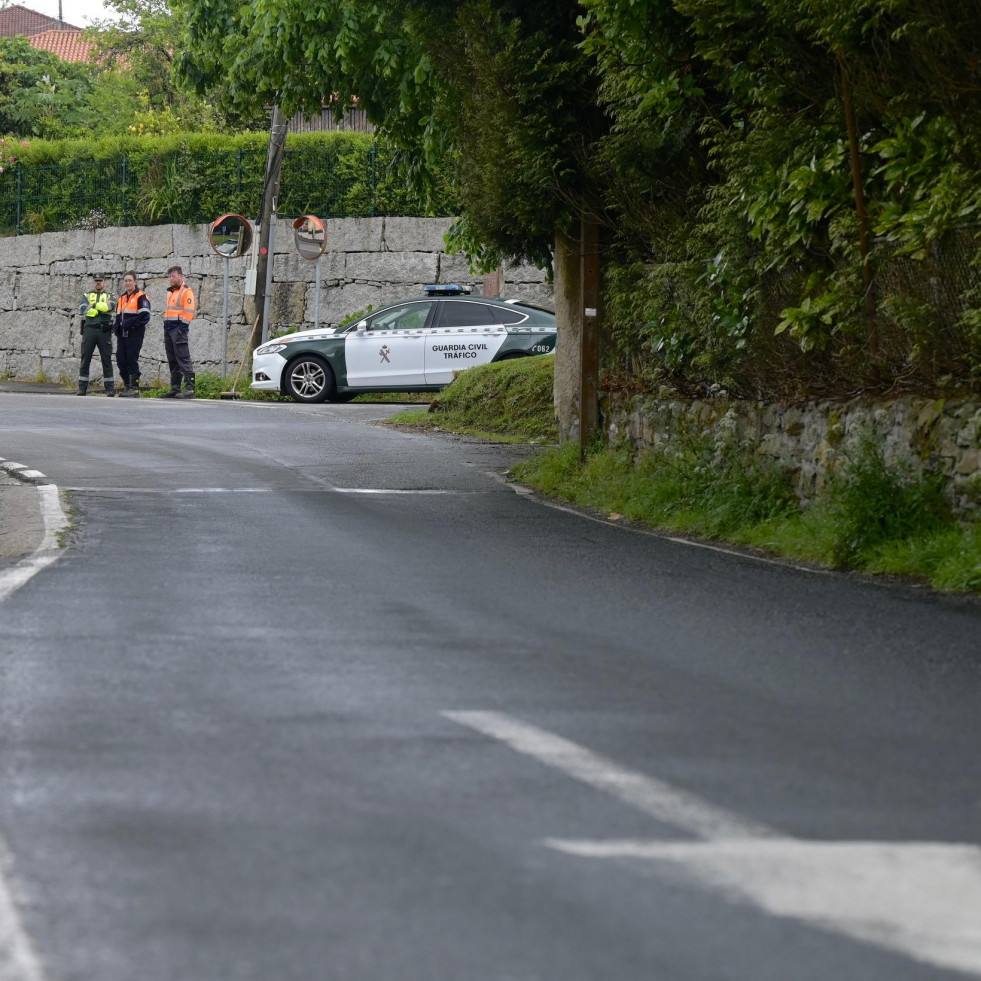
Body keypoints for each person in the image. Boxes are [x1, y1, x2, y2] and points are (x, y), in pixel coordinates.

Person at [76, 273, 116, 396]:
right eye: (96, 281)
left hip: (104, 331)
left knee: (106, 360)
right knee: (85, 358)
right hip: (89, 329)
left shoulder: (110, 295)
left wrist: (93, 305)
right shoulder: (86, 295)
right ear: (94, 282)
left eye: (100, 280)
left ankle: (109, 388)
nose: (98, 282)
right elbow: (83, 309)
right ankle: (82, 388)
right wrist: (101, 308)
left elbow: (111, 306)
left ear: (105, 282)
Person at [161, 265, 197, 399]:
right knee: (172, 359)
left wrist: (183, 328)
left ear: (181, 277)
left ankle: (190, 388)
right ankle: (175, 388)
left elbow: (190, 310)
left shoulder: (186, 291)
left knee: (183, 358)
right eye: (170, 276)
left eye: (174, 276)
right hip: (169, 328)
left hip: (178, 329)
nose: (171, 278)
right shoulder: (170, 292)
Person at [114, 271, 151, 398]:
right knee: (120, 359)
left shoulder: (141, 296)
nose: (127, 283)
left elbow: (145, 317)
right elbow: (118, 317)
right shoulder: (122, 298)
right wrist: (116, 328)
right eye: (125, 281)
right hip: (122, 335)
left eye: (130, 280)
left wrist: (131, 325)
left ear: (135, 282)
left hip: (135, 334)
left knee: (131, 359)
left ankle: (134, 388)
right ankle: (127, 386)